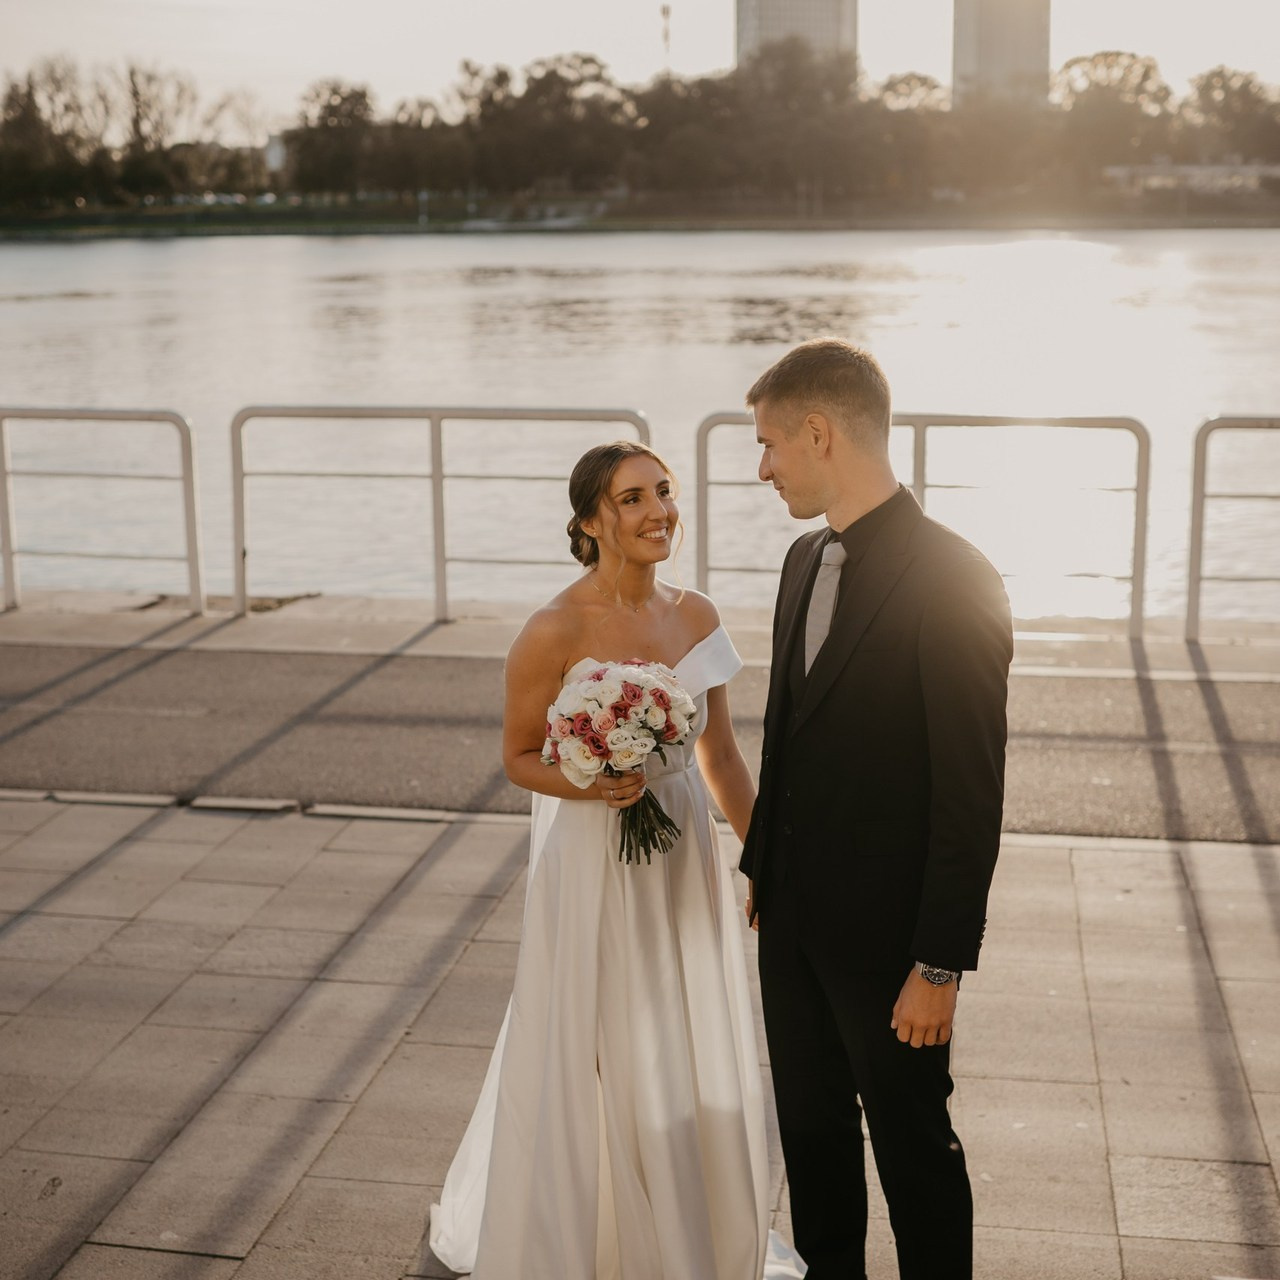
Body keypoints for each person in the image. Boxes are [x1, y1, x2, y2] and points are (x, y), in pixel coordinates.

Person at [430, 441, 799, 1279]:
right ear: (592, 521)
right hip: (593, 858)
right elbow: (521, 756)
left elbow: (725, 759)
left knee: (677, 1030)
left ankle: (680, 1228)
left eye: (664, 492)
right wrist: (596, 782)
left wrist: (764, 861)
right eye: (633, 498)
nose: (658, 510)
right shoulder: (552, 629)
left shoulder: (697, 615)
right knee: (593, 1037)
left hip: (681, 853)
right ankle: (585, 1230)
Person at [739, 339, 1014, 1280]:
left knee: (913, 1155)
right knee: (813, 1148)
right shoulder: (798, 561)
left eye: (771, 443)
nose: (763, 466)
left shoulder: (955, 576)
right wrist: (761, 873)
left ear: (819, 433)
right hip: (793, 931)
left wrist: (939, 962)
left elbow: (971, 793)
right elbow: (789, 731)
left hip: (896, 948)